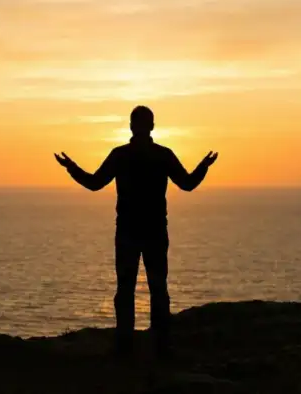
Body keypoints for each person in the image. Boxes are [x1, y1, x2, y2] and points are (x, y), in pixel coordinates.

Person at [54, 105, 218, 358]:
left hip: (130, 232)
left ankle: (125, 346)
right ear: (151, 126)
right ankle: (160, 347)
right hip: (152, 232)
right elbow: (187, 184)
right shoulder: (162, 155)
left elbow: (94, 183)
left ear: (132, 126)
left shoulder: (121, 155)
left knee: (127, 289)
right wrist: (204, 166)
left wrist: (71, 167)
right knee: (157, 289)